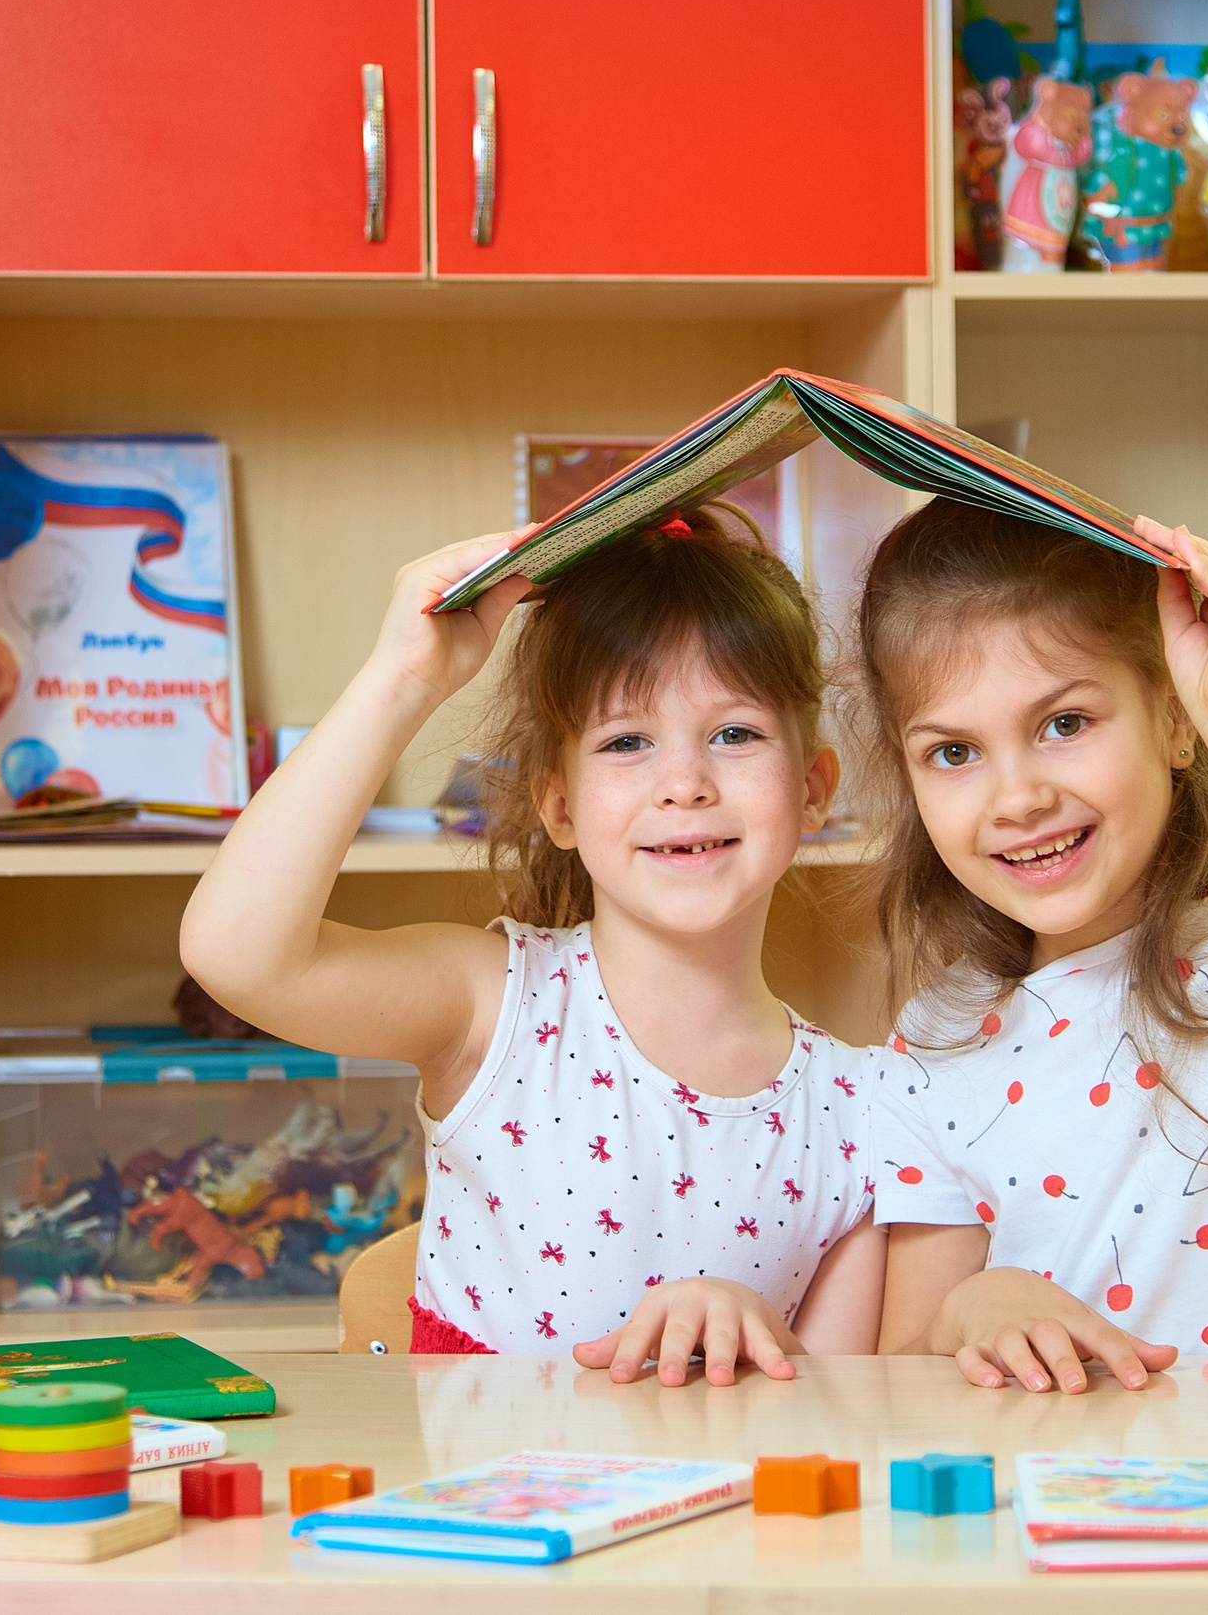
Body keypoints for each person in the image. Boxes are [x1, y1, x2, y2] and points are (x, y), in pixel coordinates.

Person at [181, 506, 880, 1381]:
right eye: (628, 740)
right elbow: (234, 952)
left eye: (734, 734)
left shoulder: (862, 1112)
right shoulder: (496, 1004)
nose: (685, 784)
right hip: (484, 1512)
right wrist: (404, 677)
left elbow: (850, 1423)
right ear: (558, 804)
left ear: (814, 789)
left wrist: (758, 1342)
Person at [854, 501, 1208, 1392]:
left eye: (1065, 723)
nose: (1017, 797)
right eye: (954, 752)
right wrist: (973, 1310)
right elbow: (899, 1370)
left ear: (1172, 717)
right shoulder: (935, 1036)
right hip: (1058, 1506)